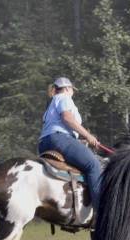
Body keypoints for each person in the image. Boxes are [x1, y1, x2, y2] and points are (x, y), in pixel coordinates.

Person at [38, 77, 104, 215]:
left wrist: (77, 140)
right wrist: (88, 136)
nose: (73, 92)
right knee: (93, 165)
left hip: (45, 142)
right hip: (59, 139)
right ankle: (101, 211)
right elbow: (67, 118)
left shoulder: (52, 102)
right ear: (68, 88)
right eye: (72, 89)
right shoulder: (64, 98)